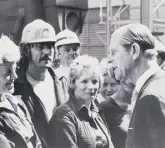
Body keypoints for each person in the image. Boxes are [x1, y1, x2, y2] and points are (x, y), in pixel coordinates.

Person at [108, 23, 165, 148]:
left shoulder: (151, 98)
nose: (108, 59)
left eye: (113, 52)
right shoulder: (158, 84)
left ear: (134, 50)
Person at [14, 19, 68, 146]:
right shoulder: (15, 86)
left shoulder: (62, 83)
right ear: (26, 50)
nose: (46, 52)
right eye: (40, 46)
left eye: (50, 46)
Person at [48, 55, 114, 148]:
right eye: (84, 81)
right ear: (73, 83)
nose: (91, 87)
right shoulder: (63, 115)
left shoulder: (97, 112)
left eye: (95, 81)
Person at [0, 35, 42, 148]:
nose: (15, 76)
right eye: (8, 72)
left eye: (15, 69)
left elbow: (37, 142)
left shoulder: (17, 102)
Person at [98, 62, 134, 148]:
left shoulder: (134, 103)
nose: (109, 89)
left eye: (113, 84)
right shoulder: (103, 108)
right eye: (105, 84)